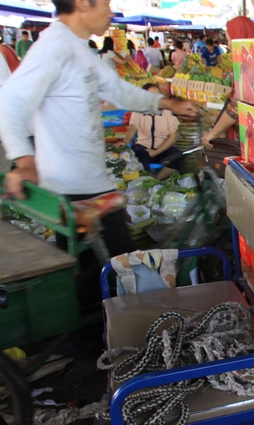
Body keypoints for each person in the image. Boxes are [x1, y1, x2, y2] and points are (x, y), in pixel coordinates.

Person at [0, 0, 197, 259]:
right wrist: (25, 161)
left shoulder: (79, 48)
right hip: (72, 191)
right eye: (105, 3)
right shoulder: (53, 47)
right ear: (82, 3)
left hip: (92, 184)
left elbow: (116, 90)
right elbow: (9, 104)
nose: (110, 12)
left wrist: (166, 103)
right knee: (110, 269)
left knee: (105, 270)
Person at [202, 16, 254, 149]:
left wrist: (213, 132)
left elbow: (237, 105)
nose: (228, 44)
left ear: (239, 37)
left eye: (229, 39)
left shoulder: (250, 63)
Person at [123, 83, 185, 180]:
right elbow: (133, 128)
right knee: (139, 156)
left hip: (163, 148)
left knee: (179, 157)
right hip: (143, 147)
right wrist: (124, 143)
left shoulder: (167, 111)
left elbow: (172, 137)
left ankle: (155, 180)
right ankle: (144, 181)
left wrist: (156, 152)